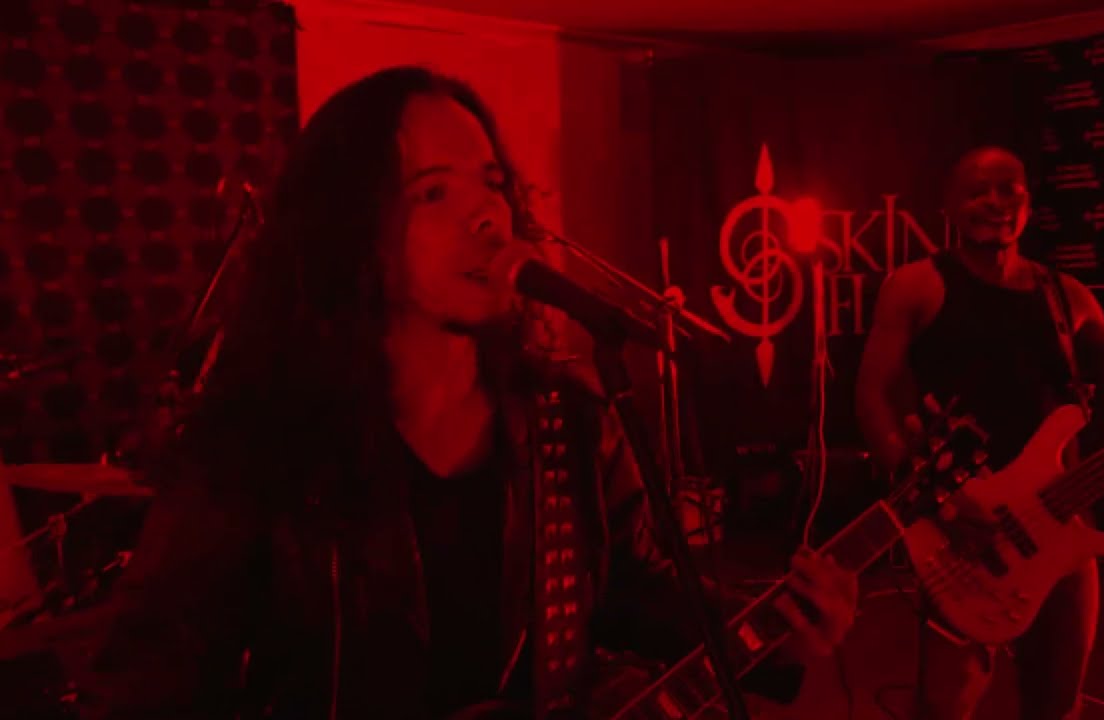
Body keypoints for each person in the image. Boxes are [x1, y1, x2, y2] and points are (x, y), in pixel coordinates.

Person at [75, 66, 861, 719]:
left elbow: (636, 594)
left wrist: (781, 636)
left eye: (492, 184)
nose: (488, 214)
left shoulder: (568, 419)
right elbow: (141, 690)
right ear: (351, 233)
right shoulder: (254, 451)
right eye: (433, 193)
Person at [853, 146, 1104, 719]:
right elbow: (872, 396)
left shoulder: (1066, 297)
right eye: (977, 191)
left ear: (1028, 202)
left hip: (1062, 527)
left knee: (1058, 704)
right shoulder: (917, 286)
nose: (995, 202)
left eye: (1009, 189)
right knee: (944, 707)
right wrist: (928, 494)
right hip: (961, 528)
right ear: (947, 206)